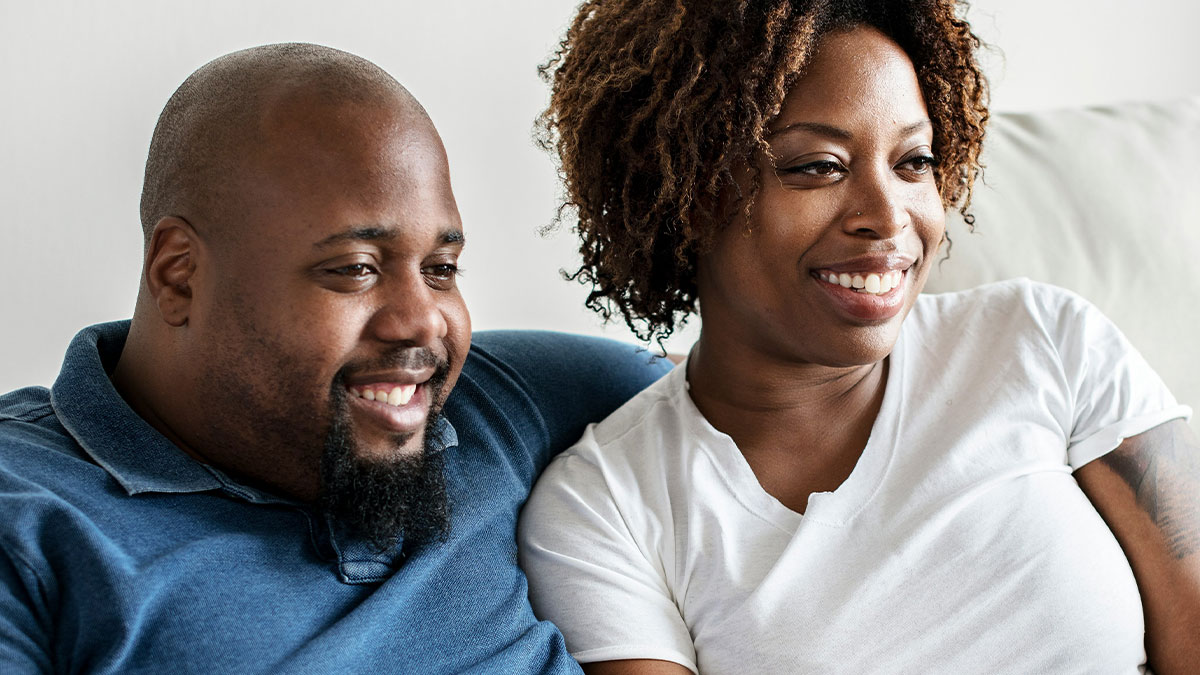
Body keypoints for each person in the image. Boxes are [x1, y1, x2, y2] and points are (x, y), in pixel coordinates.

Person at [518, 1, 1200, 673]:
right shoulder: (604, 505)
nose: (887, 215)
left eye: (913, 162)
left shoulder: (1044, 340)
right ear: (684, 192)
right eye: (819, 165)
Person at [0, 43, 671, 673]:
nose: (420, 322)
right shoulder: (27, 517)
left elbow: (749, 397)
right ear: (180, 275)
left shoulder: (503, 406)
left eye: (441, 268)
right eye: (355, 267)